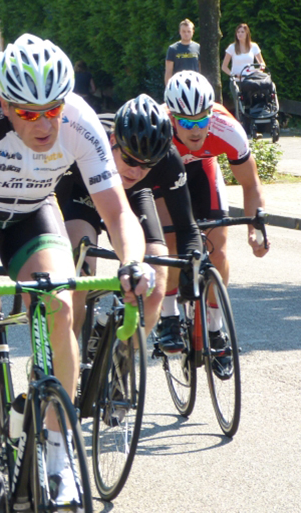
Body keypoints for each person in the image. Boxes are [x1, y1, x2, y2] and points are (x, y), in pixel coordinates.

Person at [0, 34, 153, 510]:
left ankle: (59, 452)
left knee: (61, 305)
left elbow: (118, 214)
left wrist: (134, 261)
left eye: (52, 108)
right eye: (28, 112)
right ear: (6, 105)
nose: (45, 122)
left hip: (31, 212)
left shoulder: (79, 121)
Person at [56, 95, 202, 355]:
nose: (136, 171)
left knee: (157, 278)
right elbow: (53, 210)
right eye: (131, 160)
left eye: (148, 166)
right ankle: (67, 357)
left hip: (134, 197)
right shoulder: (89, 140)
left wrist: (193, 266)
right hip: (83, 192)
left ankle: (121, 359)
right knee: (80, 272)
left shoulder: (168, 159)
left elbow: (187, 226)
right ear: (113, 142)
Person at [158, 71, 269, 348]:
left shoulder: (227, 129)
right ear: (172, 118)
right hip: (164, 177)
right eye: (185, 122)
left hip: (203, 170)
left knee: (217, 251)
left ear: (211, 114)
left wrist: (255, 229)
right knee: (170, 243)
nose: (195, 130)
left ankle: (216, 327)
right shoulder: (157, 130)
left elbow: (250, 183)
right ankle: (169, 315)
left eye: (201, 120)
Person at [165, 18, 200, 84]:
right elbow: (168, 71)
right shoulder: (173, 49)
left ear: (193, 32)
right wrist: (168, 88)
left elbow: (201, 68)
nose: (186, 34)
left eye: (188, 31)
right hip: (178, 85)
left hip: (195, 84)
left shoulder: (198, 47)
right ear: (179, 32)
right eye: (184, 31)